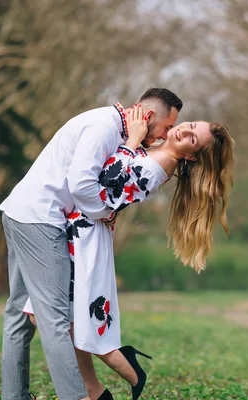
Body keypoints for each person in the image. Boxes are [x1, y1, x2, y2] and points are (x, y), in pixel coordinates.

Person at [22, 106, 235, 399]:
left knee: (49, 316)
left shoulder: (158, 166)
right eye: (192, 125)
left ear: (190, 155)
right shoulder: (159, 154)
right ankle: (95, 390)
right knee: (64, 318)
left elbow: (105, 186)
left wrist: (132, 140)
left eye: (193, 139)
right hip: (79, 232)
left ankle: (127, 372)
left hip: (84, 239)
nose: (185, 130)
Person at [0, 88, 183, 400]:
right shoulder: (104, 128)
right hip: (41, 219)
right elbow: (83, 186)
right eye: (166, 128)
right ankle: (78, 397)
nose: (165, 136)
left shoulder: (114, 130)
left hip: (25, 212)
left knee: (19, 316)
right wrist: (105, 212)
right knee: (54, 318)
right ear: (148, 117)